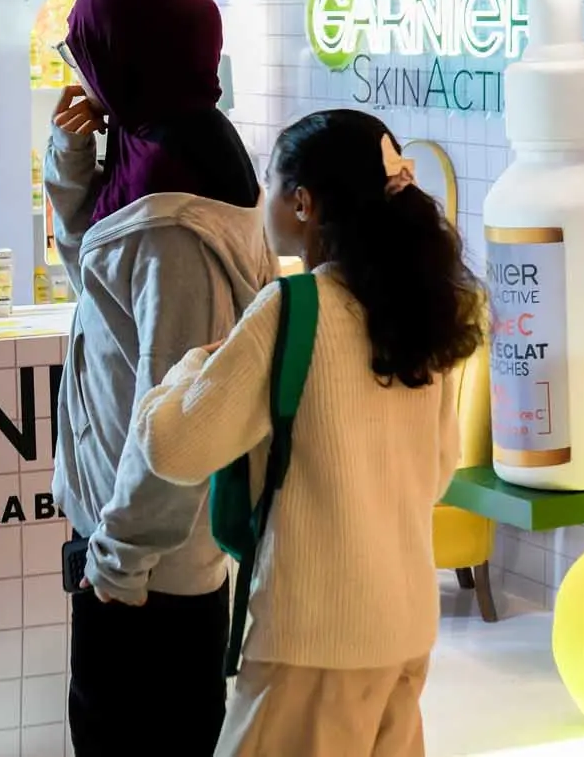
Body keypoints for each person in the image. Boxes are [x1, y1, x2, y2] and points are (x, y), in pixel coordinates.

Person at [131, 111, 478, 757]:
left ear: (302, 203)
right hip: (405, 625)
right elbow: (437, 471)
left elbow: (175, 448)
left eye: (270, 183)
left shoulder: (293, 308)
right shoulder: (421, 309)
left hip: (315, 637)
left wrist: (190, 366)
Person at [45, 0, 277, 755]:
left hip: (150, 567)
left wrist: (119, 559)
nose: (80, 67)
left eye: (88, 49)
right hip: (132, 539)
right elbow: (95, 283)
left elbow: (181, 411)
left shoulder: (177, 212)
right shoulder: (158, 147)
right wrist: (70, 158)